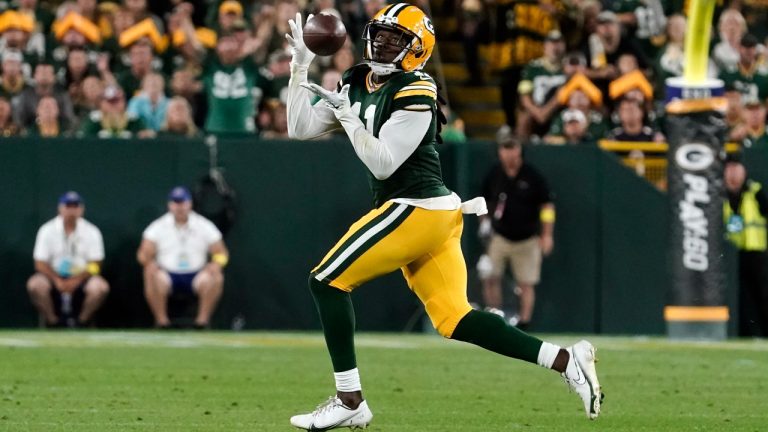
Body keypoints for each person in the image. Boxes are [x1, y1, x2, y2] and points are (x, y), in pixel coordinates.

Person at [285, 5, 603, 430]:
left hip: (416, 208)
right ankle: (566, 360)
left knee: (325, 281)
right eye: (380, 34)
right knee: (456, 319)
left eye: (395, 39)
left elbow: (383, 164)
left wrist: (347, 116)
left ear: (416, 51)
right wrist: (299, 67)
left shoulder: (418, 88)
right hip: (427, 213)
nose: (381, 43)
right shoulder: (356, 79)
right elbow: (299, 128)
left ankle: (350, 399)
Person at [478, 128, 555, 329]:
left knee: (526, 283)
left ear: (520, 150)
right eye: (505, 148)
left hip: (527, 238)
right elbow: (483, 201)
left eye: (513, 148)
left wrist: (547, 234)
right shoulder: (494, 174)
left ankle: (524, 323)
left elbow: (547, 206)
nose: (509, 152)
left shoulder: (532, 176)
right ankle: (495, 319)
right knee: (490, 276)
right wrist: (484, 223)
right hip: (500, 236)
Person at [136, 186, 228, 329]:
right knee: (149, 273)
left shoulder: (204, 225)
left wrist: (216, 264)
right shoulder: (157, 226)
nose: (180, 207)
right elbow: (142, 254)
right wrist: (149, 263)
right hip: (167, 275)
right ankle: (162, 322)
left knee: (216, 276)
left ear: (190, 204)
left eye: (183, 202)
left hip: (197, 275)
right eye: (176, 203)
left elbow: (222, 253)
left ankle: (202, 322)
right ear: (169, 205)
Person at [26, 191, 110, 327]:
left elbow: (96, 264)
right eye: (68, 206)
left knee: (100, 287)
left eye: (75, 206)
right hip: (53, 276)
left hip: (82, 277)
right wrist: (57, 280)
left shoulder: (92, 231)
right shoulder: (47, 230)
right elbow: (40, 264)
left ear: (82, 209)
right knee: (35, 285)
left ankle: (81, 322)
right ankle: (53, 322)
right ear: (60, 208)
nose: (71, 210)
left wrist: (77, 280)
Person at [724, 158, 768, 337]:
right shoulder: (721, 195)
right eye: (730, 170)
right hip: (733, 254)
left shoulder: (755, 192)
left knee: (763, 294)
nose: (734, 175)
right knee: (741, 297)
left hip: (757, 252)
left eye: (737, 170)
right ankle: (748, 333)